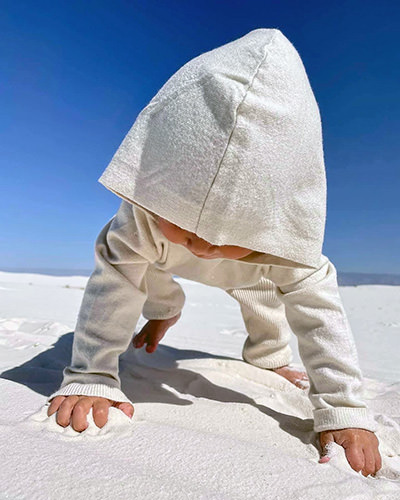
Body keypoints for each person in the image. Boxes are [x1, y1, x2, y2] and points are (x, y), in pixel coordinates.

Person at [46, 28, 381, 476]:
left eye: (230, 233)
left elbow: (321, 319)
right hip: (159, 261)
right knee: (144, 276)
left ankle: (269, 359)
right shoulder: (142, 221)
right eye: (184, 220)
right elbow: (115, 285)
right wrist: (93, 375)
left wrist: (343, 409)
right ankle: (167, 310)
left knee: (262, 301)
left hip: (253, 273)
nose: (204, 245)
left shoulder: (285, 248)